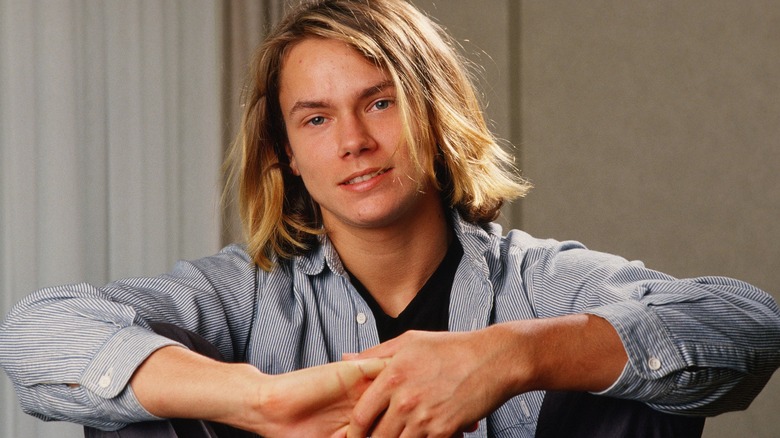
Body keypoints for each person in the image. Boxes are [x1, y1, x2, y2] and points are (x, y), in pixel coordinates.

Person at [2, 0, 780, 437]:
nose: (354, 142)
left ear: (434, 118)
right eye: (315, 119)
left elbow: (750, 324)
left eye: (381, 102)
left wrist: (511, 357)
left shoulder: (536, 281)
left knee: (629, 380)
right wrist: (256, 398)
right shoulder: (245, 294)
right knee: (142, 402)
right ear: (284, 155)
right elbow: (36, 332)